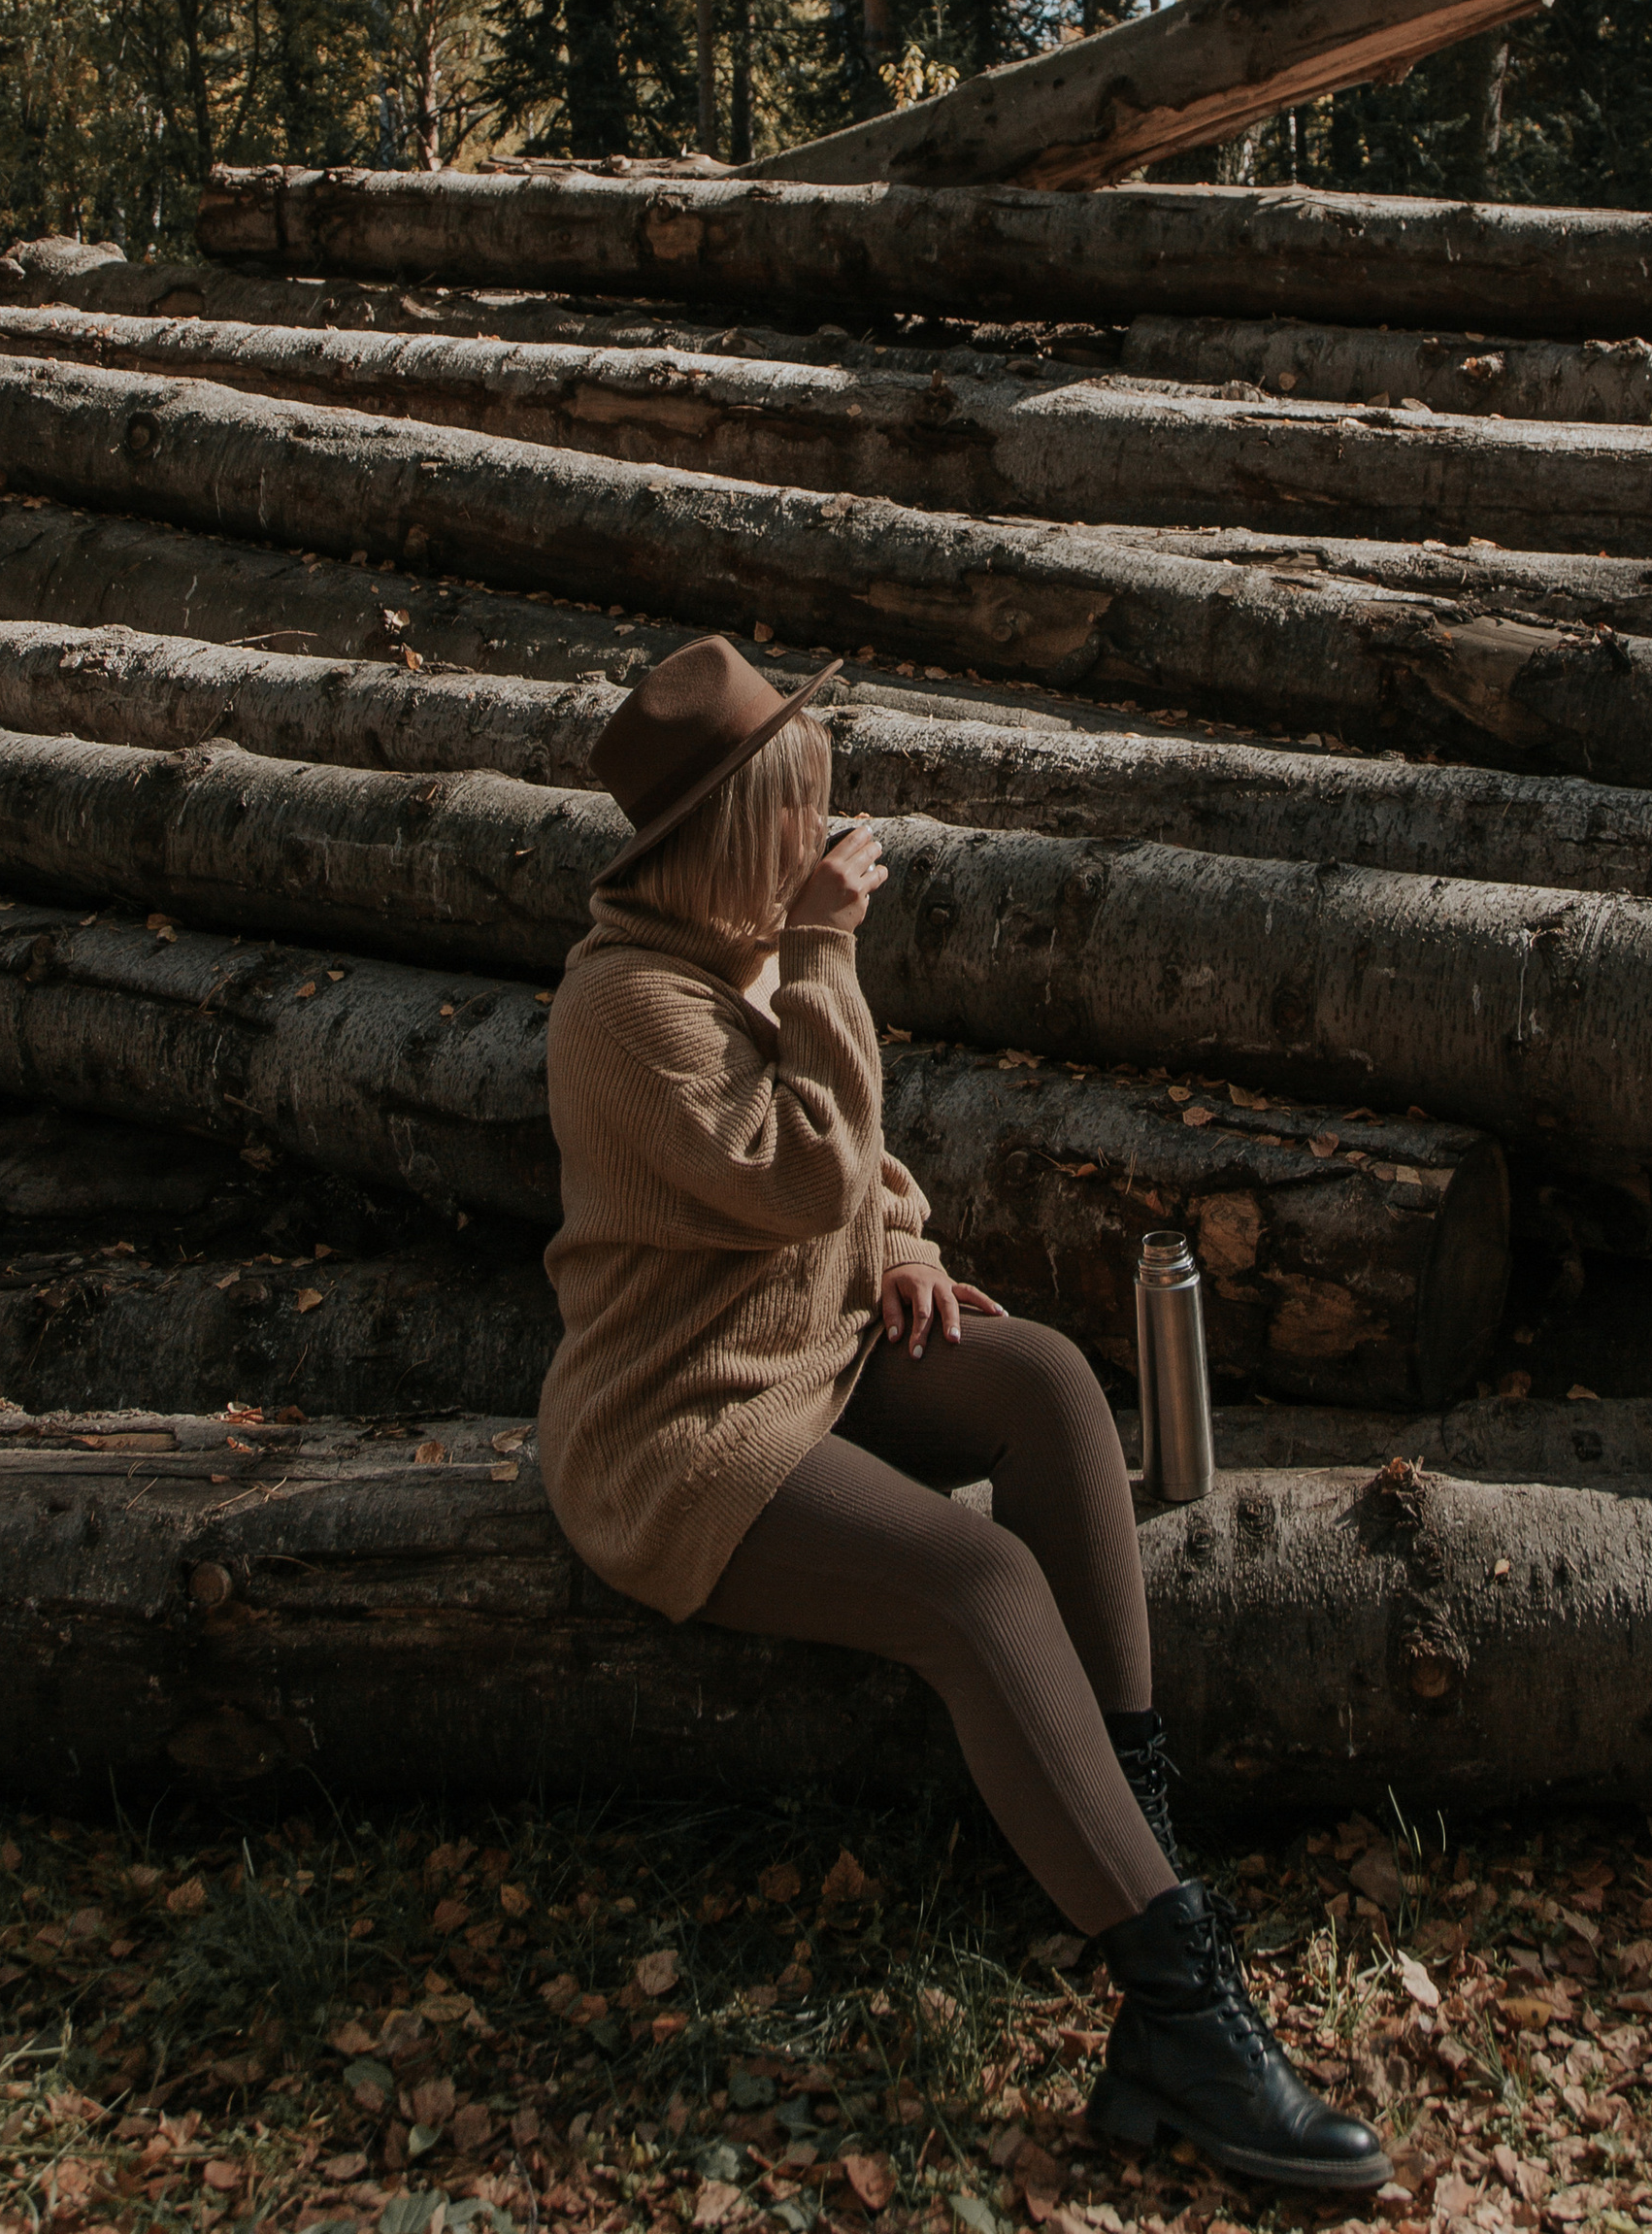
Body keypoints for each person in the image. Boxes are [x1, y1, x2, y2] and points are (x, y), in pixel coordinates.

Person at [535, 633, 1388, 2198]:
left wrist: (911, 1250)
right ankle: (1181, 2014)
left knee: (1051, 1381)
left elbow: (860, 1178)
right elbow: (797, 1170)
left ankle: (1129, 1845)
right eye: (798, 814)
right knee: (977, 1584)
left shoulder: (736, 951)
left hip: (821, 1350)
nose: (823, 840)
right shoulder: (627, 1009)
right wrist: (829, 960)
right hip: (690, 1430)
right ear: (735, 835)